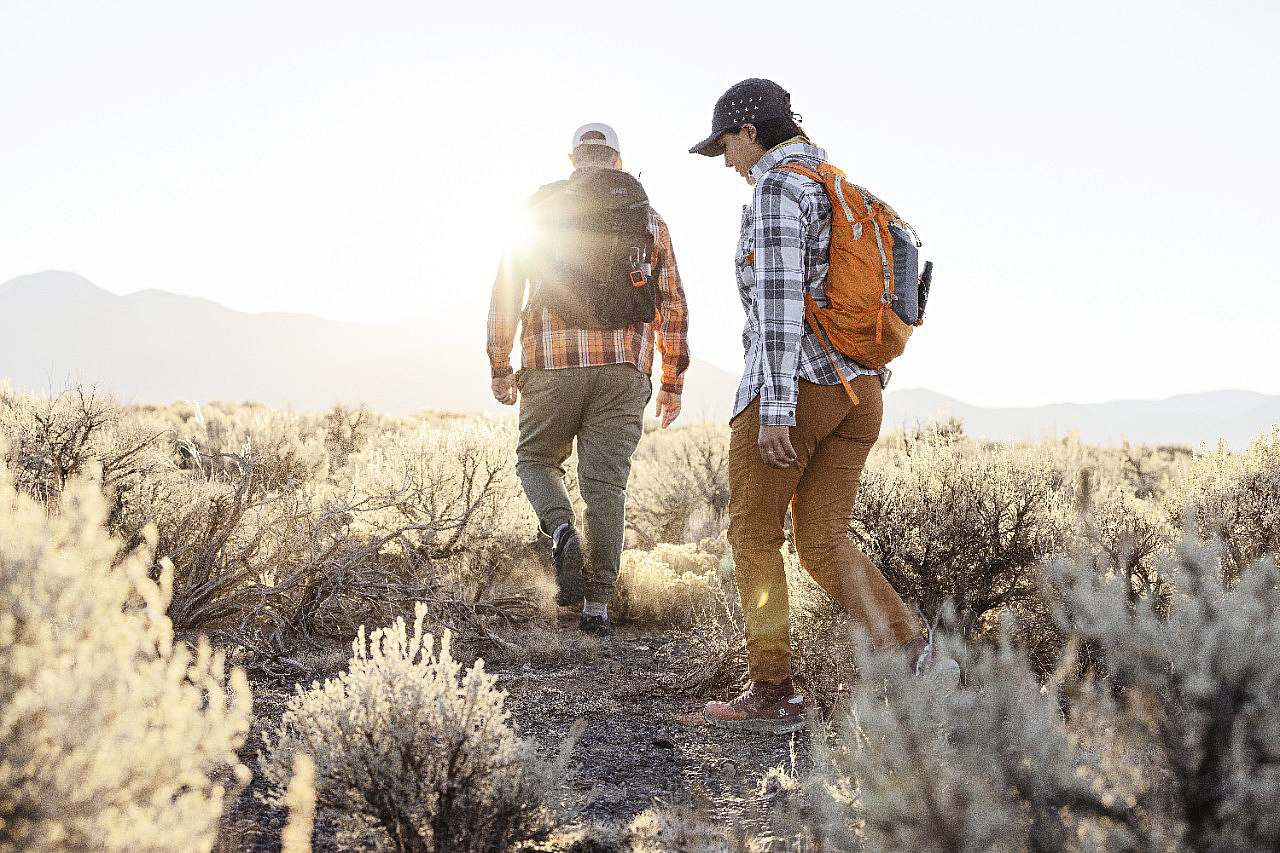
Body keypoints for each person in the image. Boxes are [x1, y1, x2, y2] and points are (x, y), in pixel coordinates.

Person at [688, 79, 945, 734]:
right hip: (859, 395)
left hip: (798, 387)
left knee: (751, 534)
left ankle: (774, 690)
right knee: (822, 540)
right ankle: (913, 653)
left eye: (726, 146)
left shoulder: (778, 189)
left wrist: (774, 404)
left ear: (751, 132)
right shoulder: (835, 184)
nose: (726, 163)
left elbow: (777, 304)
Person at [488, 122, 690, 636]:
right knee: (605, 485)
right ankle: (597, 604)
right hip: (624, 367)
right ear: (618, 161)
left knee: (535, 459)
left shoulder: (540, 212)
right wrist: (673, 378)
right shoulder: (647, 217)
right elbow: (671, 300)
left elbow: (506, 290)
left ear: (574, 159)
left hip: (551, 362)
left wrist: (499, 362)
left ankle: (559, 529)